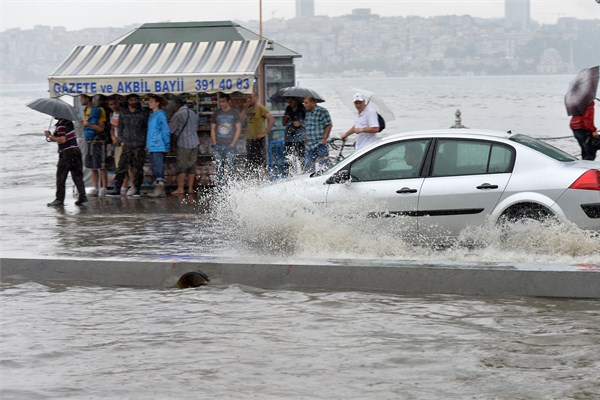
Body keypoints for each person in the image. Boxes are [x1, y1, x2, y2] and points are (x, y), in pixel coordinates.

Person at [107, 94, 148, 198]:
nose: (133, 102)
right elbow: (119, 128)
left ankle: (137, 189)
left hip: (139, 144)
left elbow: (146, 128)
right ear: (128, 101)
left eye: (135, 100)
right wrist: (122, 139)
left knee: (138, 168)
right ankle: (117, 188)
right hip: (127, 144)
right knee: (121, 167)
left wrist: (145, 142)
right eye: (131, 100)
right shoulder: (123, 113)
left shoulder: (143, 113)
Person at [45, 118, 87, 207]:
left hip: (66, 153)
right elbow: (62, 138)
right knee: (77, 176)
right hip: (76, 150)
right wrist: (51, 136)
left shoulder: (61, 125)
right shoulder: (69, 122)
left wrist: (50, 136)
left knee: (61, 176)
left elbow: (62, 140)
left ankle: (59, 199)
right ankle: (82, 196)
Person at [169, 97, 199, 195]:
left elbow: (171, 130)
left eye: (174, 104)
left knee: (182, 166)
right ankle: (190, 189)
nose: (173, 106)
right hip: (195, 142)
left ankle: (180, 188)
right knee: (191, 167)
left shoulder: (178, 114)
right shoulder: (193, 113)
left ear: (177, 104)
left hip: (183, 143)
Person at [210, 93, 242, 185]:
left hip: (230, 145)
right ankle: (220, 189)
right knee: (219, 170)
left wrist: (233, 143)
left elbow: (238, 129)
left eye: (223, 101)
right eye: (220, 102)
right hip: (218, 145)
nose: (221, 104)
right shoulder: (216, 113)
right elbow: (212, 128)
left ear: (229, 102)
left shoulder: (234, 113)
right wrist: (215, 142)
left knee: (232, 169)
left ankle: (233, 188)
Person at [81, 94, 108, 197]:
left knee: (102, 165)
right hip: (89, 140)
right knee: (92, 166)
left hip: (99, 141)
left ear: (88, 98)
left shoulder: (99, 110)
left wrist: (89, 125)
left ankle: (104, 187)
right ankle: (95, 187)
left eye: (82, 98)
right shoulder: (85, 111)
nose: (81, 100)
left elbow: (101, 128)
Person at [244, 93, 274, 176]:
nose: (248, 99)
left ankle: (262, 179)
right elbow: (241, 119)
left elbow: (271, 120)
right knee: (250, 161)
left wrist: (264, 133)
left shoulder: (261, 108)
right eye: (247, 98)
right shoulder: (249, 109)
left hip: (258, 139)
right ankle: (253, 178)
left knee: (260, 161)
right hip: (249, 138)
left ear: (256, 98)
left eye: (250, 97)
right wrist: (245, 109)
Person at [146, 94, 171, 198]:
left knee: (158, 167)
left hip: (158, 144)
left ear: (157, 103)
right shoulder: (153, 115)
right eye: (149, 101)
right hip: (153, 145)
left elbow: (165, 130)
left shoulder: (160, 115)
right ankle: (161, 190)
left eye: (152, 101)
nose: (149, 103)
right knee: (155, 167)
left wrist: (166, 143)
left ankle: (159, 189)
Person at [302, 95, 333, 172]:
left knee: (324, 165)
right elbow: (307, 127)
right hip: (309, 144)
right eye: (304, 103)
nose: (304, 105)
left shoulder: (322, 111)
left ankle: (331, 176)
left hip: (320, 143)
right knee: (308, 166)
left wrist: (324, 139)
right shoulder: (307, 113)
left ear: (312, 103)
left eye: (306, 103)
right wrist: (305, 138)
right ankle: (309, 182)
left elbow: (329, 125)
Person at [107, 96, 129, 195]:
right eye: (110, 104)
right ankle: (121, 186)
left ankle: (125, 186)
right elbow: (112, 128)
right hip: (117, 141)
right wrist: (112, 136)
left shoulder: (123, 113)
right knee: (118, 165)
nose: (113, 106)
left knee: (124, 165)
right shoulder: (112, 114)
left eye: (114, 103)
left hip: (124, 141)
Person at [282, 97, 306, 171]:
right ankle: (289, 175)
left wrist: (300, 123)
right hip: (289, 138)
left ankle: (303, 173)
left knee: (301, 159)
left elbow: (309, 123)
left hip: (300, 138)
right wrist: (286, 117)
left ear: (296, 100)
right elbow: (283, 123)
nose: (289, 103)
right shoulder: (288, 109)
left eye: (291, 101)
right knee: (288, 160)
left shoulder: (303, 109)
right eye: (288, 102)